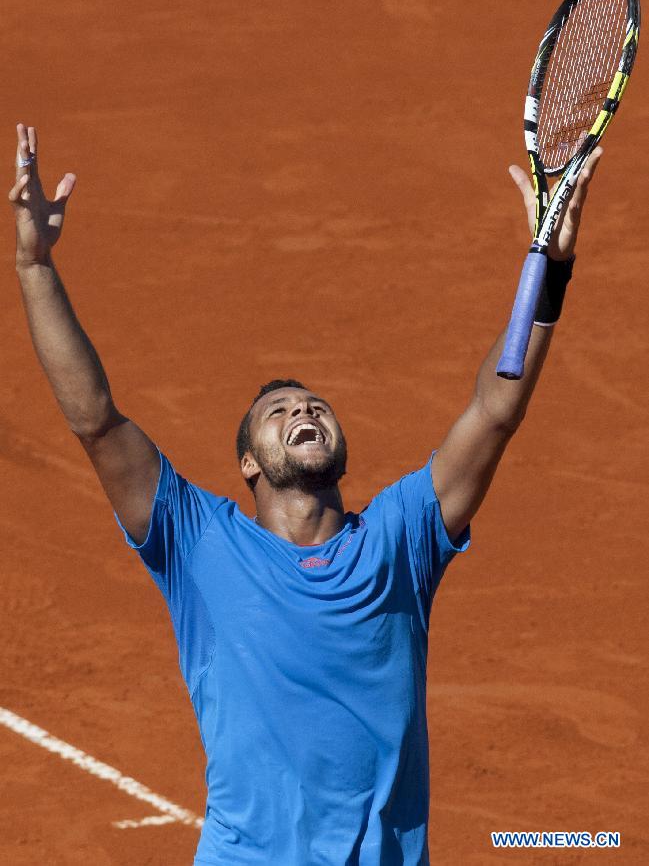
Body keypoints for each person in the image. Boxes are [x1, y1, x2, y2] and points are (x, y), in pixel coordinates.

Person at [10, 122, 601, 865]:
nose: (304, 411)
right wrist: (33, 265)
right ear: (248, 465)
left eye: (314, 404)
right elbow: (95, 420)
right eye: (278, 412)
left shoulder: (400, 538)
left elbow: (494, 410)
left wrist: (547, 270)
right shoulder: (198, 541)